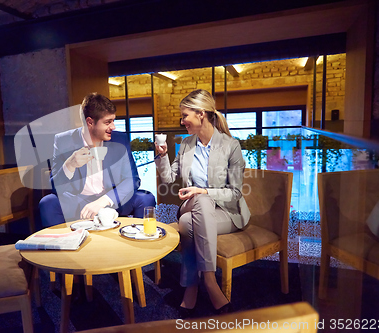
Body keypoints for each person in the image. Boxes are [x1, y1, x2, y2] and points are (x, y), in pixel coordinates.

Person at [155, 89, 250, 312]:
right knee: (201, 202)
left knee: (188, 223)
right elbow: (169, 178)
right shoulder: (186, 144)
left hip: (228, 213)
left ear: (200, 114)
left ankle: (192, 284)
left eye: (185, 115)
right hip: (197, 205)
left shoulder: (230, 145)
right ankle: (210, 279)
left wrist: (204, 192)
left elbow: (235, 192)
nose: (182, 121)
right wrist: (161, 155)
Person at [39, 93, 155, 226]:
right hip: (79, 202)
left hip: (111, 200)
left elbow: (132, 179)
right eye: (107, 122)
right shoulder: (63, 141)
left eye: (113, 121)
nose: (113, 127)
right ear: (90, 122)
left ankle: (138, 242)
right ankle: (62, 244)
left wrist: (105, 200)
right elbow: (55, 187)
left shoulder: (120, 140)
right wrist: (69, 165)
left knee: (145, 198)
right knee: (48, 203)